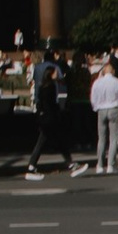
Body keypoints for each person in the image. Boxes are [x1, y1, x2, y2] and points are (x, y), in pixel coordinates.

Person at [22, 41, 69, 179]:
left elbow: (36, 84)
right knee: (50, 139)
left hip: (42, 109)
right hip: (50, 115)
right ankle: (70, 163)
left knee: (47, 140)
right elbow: (61, 81)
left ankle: (69, 163)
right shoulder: (53, 76)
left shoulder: (38, 70)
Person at [90, 56, 118, 175]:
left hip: (101, 110)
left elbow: (93, 98)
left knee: (101, 138)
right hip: (113, 108)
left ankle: (100, 165)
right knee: (113, 139)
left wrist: (96, 107)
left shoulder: (97, 82)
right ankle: (111, 165)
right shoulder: (117, 82)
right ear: (112, 72)